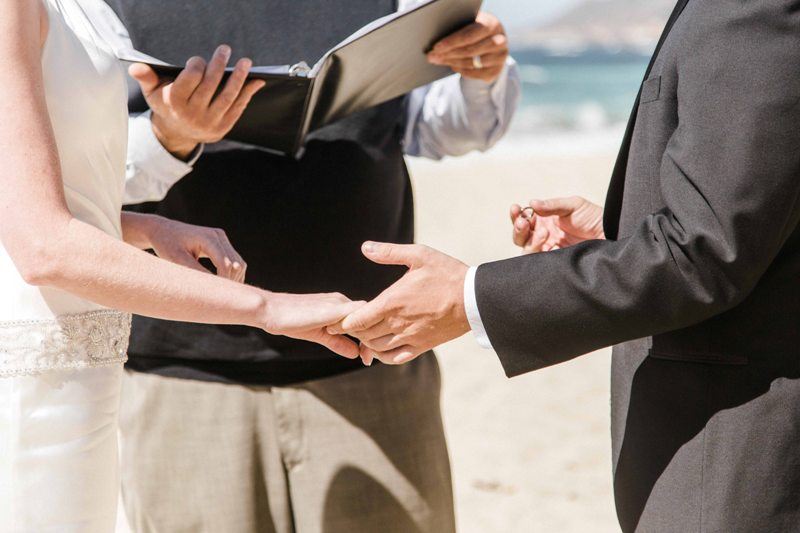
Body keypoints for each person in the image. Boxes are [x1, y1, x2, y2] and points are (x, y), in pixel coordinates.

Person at [333, 0, 800, 530]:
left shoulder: (752, 9)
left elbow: (704, 251)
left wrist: (471, 298)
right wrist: (614, 235)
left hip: (737, 457)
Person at [83, 0, 520, 531]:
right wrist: (169, 134)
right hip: (185, 379)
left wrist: (482, 73)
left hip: (369, 356)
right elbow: (70, 176)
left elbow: (434, 127)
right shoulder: (109, 8)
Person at [0, 1, 365, 531]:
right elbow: (43, 247)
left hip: (85, 379)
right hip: (31, 387)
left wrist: (143, 227)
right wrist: (267, 306)